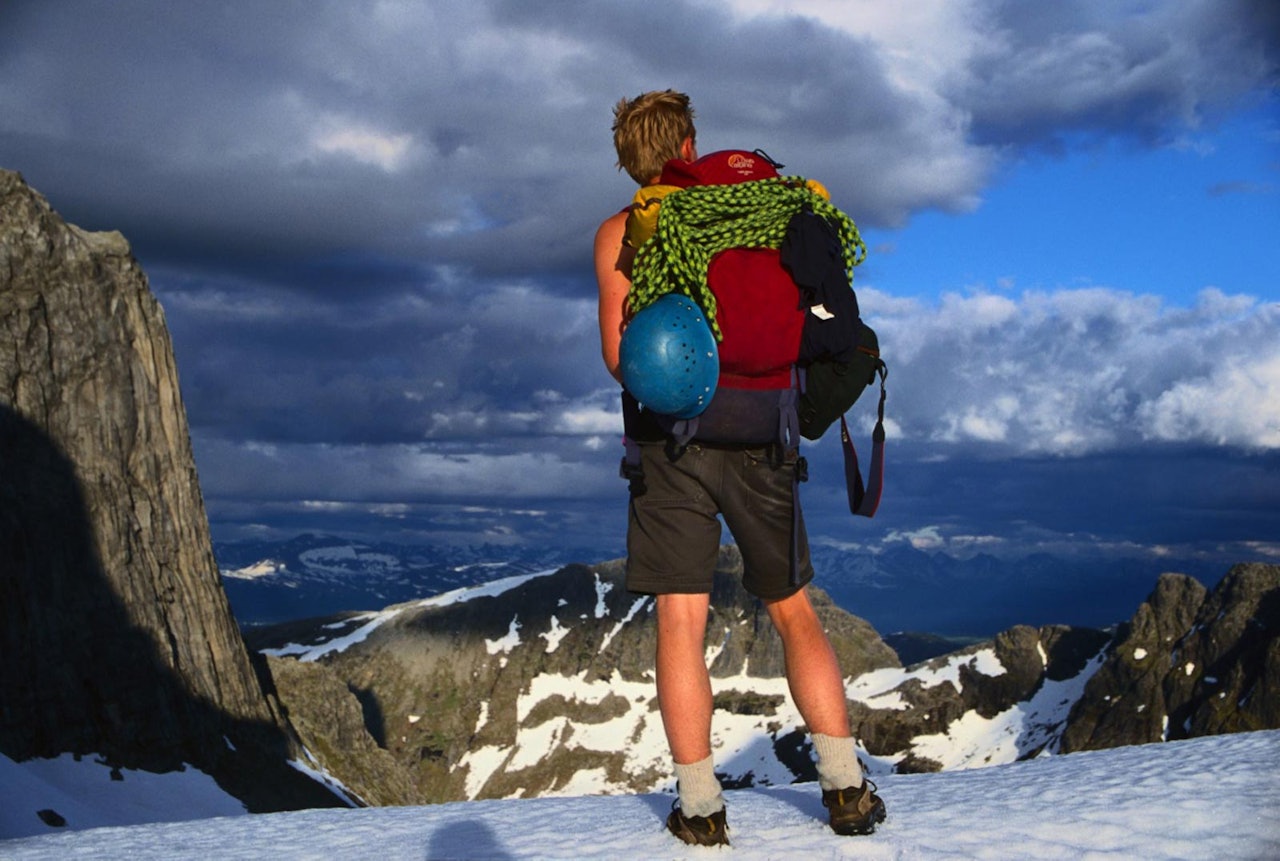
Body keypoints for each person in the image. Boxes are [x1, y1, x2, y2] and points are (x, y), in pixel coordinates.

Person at [593, 90, 887, 847]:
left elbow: (618, 358)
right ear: (691, 144)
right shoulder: (762, 213)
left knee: (681, 622)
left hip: (668, 444)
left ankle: (699, 806)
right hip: (767, 434)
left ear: (627, 157)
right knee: (793, 610)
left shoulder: (622, 232)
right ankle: (846, 789)